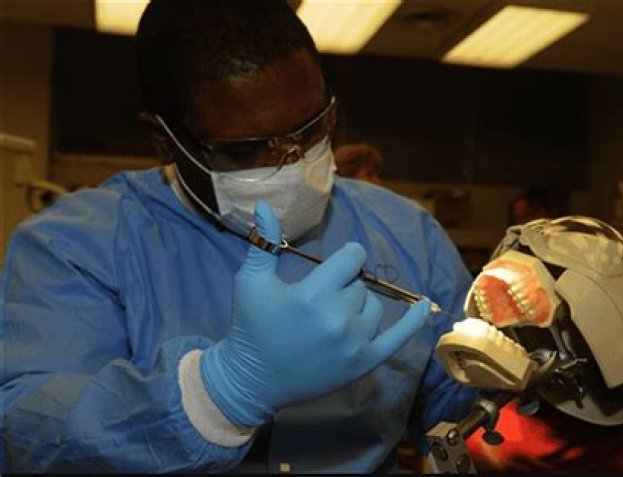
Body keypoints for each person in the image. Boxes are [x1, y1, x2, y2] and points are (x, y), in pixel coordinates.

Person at [0, 1, 478, 473]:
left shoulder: (406, 232)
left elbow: (460, 402)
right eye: (248, 151)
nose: (294, 161)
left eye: (313, 129)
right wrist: (218, 394)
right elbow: (26, 433)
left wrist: (509, 408)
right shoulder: (75, 247)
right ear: (165, 140)